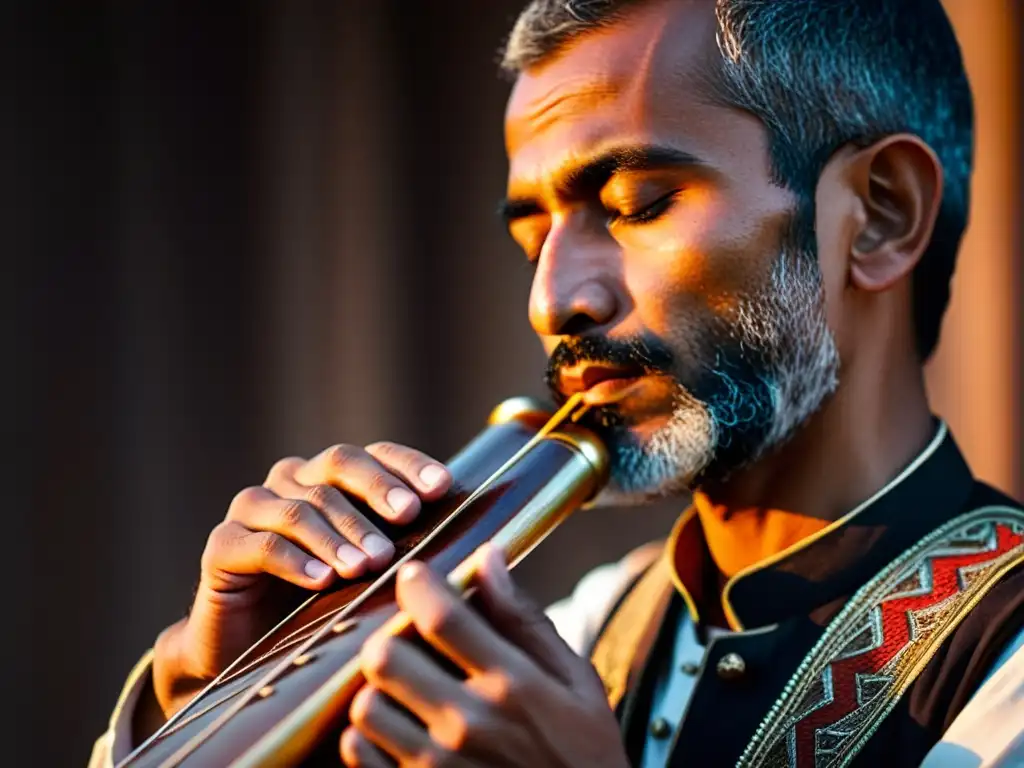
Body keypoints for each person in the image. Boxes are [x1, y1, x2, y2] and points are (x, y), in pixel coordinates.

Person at [90, 0, 1024, 766]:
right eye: (533, 237)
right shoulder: (585, 628)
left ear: (880, 215)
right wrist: (211, 702)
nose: (553, 301)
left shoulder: (1005, 663)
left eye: (636, 205)